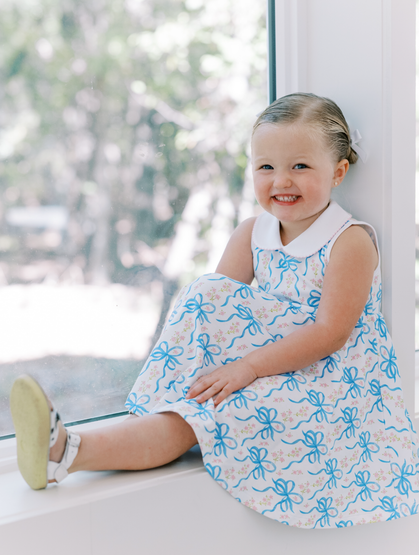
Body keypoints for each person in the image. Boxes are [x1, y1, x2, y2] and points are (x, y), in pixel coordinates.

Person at [10, 93, 419, 529]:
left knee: (210, 414)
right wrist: (220, 368)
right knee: (205, 301)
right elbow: (218, 311)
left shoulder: (349, 240)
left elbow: (330, 334)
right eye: (266, 167)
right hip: (270, 360)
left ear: (337, 172)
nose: (281, 180)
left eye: (299, 166)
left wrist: (245, 370)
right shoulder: (252, 232)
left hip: (329, 378)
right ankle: (74, 443)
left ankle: (66, 452)